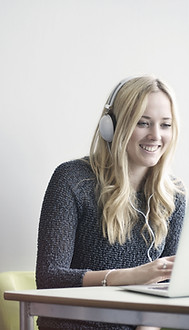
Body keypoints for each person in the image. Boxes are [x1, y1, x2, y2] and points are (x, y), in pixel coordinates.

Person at [36, 75, 186, 330]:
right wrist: (131, 276)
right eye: (143, 123)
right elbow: (50, 277)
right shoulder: (73, 180)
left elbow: (169, 289)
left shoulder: (174, 196)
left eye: (166, 125)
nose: (155, 135)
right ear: (112, 127)